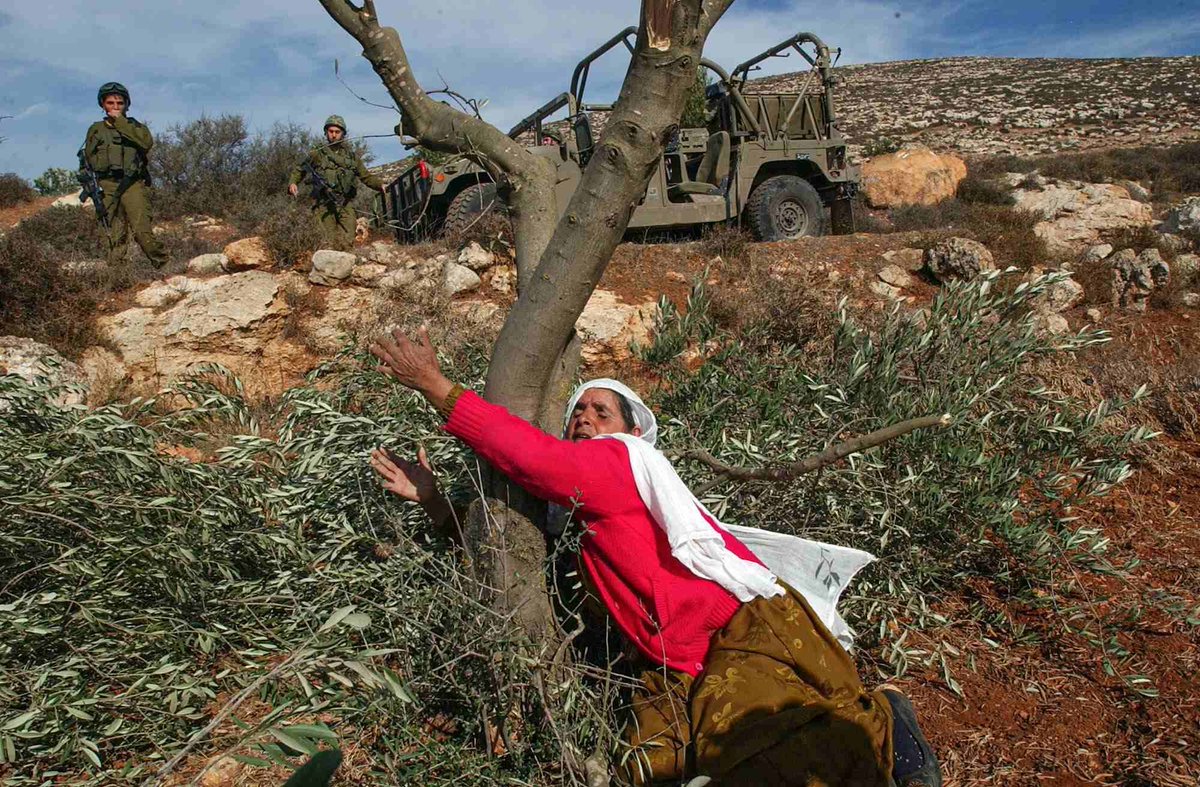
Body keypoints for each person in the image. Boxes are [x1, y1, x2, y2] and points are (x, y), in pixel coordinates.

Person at [368, 327, 942, 787]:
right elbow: (512, 557)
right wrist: (438, 504)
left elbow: (534, 459)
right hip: (669, 662)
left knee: (757, 751)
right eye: (577, 413)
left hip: (734, 632)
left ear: (631, 430)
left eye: (601, 411)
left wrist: (437, 386)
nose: (585, 420)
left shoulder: (619, 463)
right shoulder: (572, 517)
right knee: (648, 768)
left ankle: (892, 717)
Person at [77, 82, 168, 269]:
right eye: (110, 103)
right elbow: (87, 158)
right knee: (114, 233)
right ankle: (117, 275)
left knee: (142, 231)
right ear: (103, 105)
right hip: (106, 185)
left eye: (120, 103)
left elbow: (145, 143)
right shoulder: (96, 129)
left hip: (131, 184)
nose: (115, 107)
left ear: (127, 104)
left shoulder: (135, 127)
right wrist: (90, 184)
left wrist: (120, 121)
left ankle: (164, 266)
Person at [288, 115, 385, 250]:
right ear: (326, 132)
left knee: (348, 239)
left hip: (344, 203)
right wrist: (293, 183)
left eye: (337, 132)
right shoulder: (317, 153)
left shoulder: (351, 158)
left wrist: (380, 185)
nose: (333, 135)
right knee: (326, 241)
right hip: (323, 204)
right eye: (331, 131)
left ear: (343, 134)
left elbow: (366, 177)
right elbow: (300, 169)